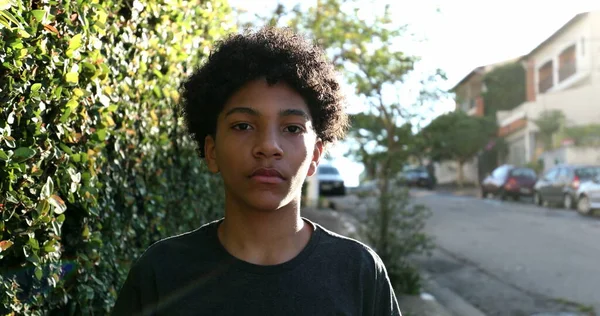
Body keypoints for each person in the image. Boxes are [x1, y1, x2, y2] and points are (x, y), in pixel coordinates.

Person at [112, 27, 401, 316]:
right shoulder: (160, 271)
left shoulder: (359, 272)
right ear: (211, 152)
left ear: (315, 155)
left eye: (292, 128)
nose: (268, 146)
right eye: (243, 126)